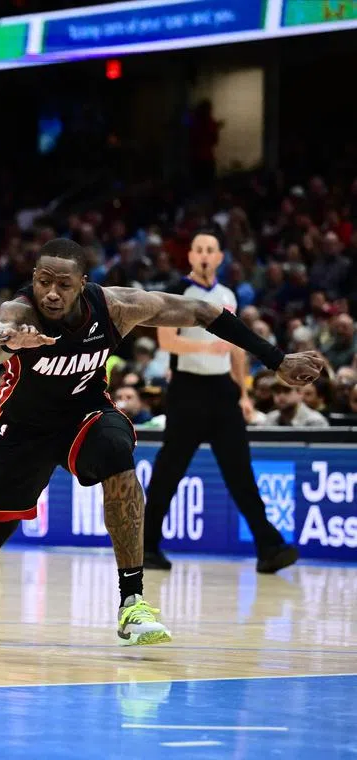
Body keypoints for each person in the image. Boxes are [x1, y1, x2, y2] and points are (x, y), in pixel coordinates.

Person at [0, 238, 323, 646]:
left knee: (115, 449)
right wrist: (10, 341)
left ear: (81, 285)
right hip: (23, 433)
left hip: (83, 417)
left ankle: (132, 602)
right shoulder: (22, 313)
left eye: (62, 285)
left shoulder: (116, 307)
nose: (51, 292)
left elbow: (203, 313)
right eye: (43, 281)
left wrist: (276, 359)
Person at [143, 231, 299, 573]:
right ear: (190, 256)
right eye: (198, 249)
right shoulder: (178, 292)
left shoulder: (228, 295)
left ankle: (268, 547)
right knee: (169, 471)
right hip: (186, 391)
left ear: (218, 258)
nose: (203, 255)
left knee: (240, 471)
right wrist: (205, 348)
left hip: (222, 392)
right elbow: (167, 341)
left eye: (210, 250)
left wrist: (242, 392)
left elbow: (237, 349)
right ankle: (146, 546)